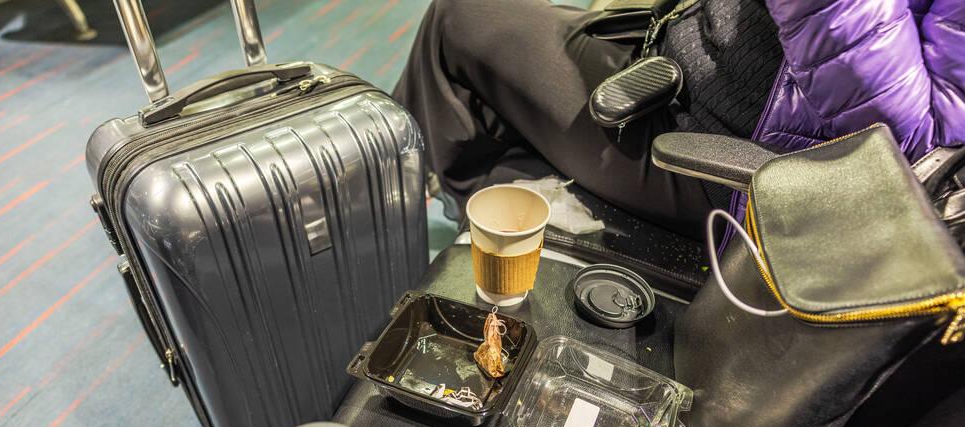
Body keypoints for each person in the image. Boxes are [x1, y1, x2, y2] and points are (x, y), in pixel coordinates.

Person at [393, 0, 965, 239]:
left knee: (458, 20)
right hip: (685, 65)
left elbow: (899, 137)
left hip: (737, 161)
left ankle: (458, 221)